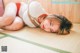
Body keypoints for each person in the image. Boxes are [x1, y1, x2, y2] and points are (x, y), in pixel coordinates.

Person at [0, 1, 72, 34]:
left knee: (17, 25)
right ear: (51, 16)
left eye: (51, 30)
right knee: (8, 19)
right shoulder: (37, 8)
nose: (47, 28)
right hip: (16, 7)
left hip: (20, 18)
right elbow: (30, 2)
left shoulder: (42, 25)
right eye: (50, 23)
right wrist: (37, 16)